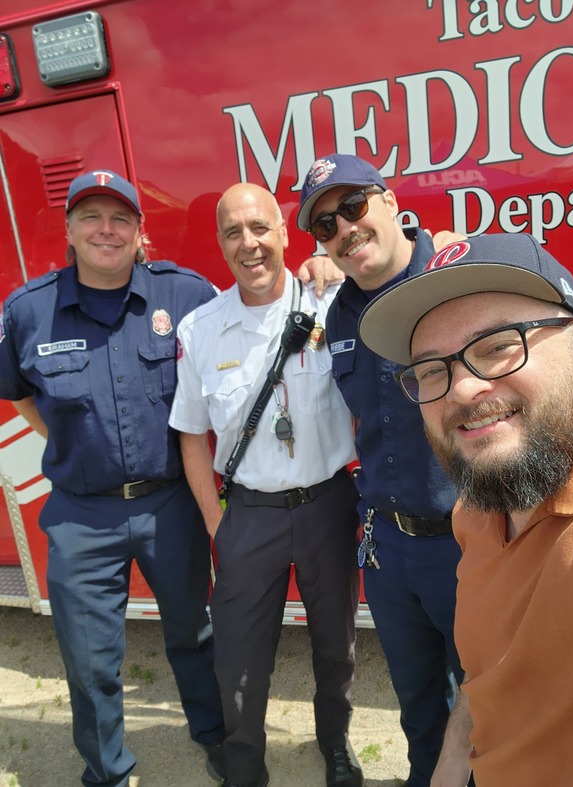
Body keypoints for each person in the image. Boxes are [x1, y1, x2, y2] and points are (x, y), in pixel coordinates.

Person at [0, 170, 226, 787]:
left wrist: (314, 272)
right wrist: (75, 441)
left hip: (170, 505)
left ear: (139, 231)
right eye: (92, 217)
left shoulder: (184, 296)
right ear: (69, 229)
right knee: (90, 658)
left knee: (196, 634)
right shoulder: (27, 312)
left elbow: (250, 322)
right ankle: (108, 771)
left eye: (120, 218)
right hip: (80, 514)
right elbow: (20, 395)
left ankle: (217, 738)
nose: (107, 229)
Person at [358, 232, 573, 787]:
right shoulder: (477, 511)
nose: (462, 388)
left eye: (498, 345)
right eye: (433, 370)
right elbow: (484, 673)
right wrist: (449, 765)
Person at [169, 182, 363, 787]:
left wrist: (336, 266)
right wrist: (214, 520)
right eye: (233, 232)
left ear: (284, 234)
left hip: (328, 504)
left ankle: (335, 743)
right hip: (248, 515)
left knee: (337, 648)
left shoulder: (335, 303)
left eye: (260, 228)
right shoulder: (200, 330)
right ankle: (245, 765)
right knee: (240, 658)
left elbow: (405, 268)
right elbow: (190, 435)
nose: (249, 244)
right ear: (221, 246)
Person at [297, 154, 466, 787]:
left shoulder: (456, 274)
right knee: (418, 704)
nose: (343, 228)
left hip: (468, 542)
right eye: (323, 226)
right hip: (388, 551)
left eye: (353, 207)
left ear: (391, 201)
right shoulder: (337, 312)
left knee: (490, 702)